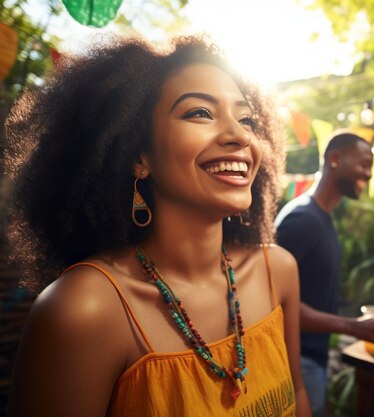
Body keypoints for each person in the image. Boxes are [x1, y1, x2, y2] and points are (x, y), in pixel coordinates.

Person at [5, 34, 311, 417]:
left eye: (246, 118)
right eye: (200, 112)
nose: (239, 136)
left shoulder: (277, 271)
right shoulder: (84, 310)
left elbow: (297, 392)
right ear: (138, 156)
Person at [274, 131, 374, 417]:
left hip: (313, 358)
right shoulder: (303, 219)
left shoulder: (322, 217)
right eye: (363, 164)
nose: (368, 174)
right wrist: (354, 326)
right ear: (334, 159)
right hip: (296, 360)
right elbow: (273, 302)